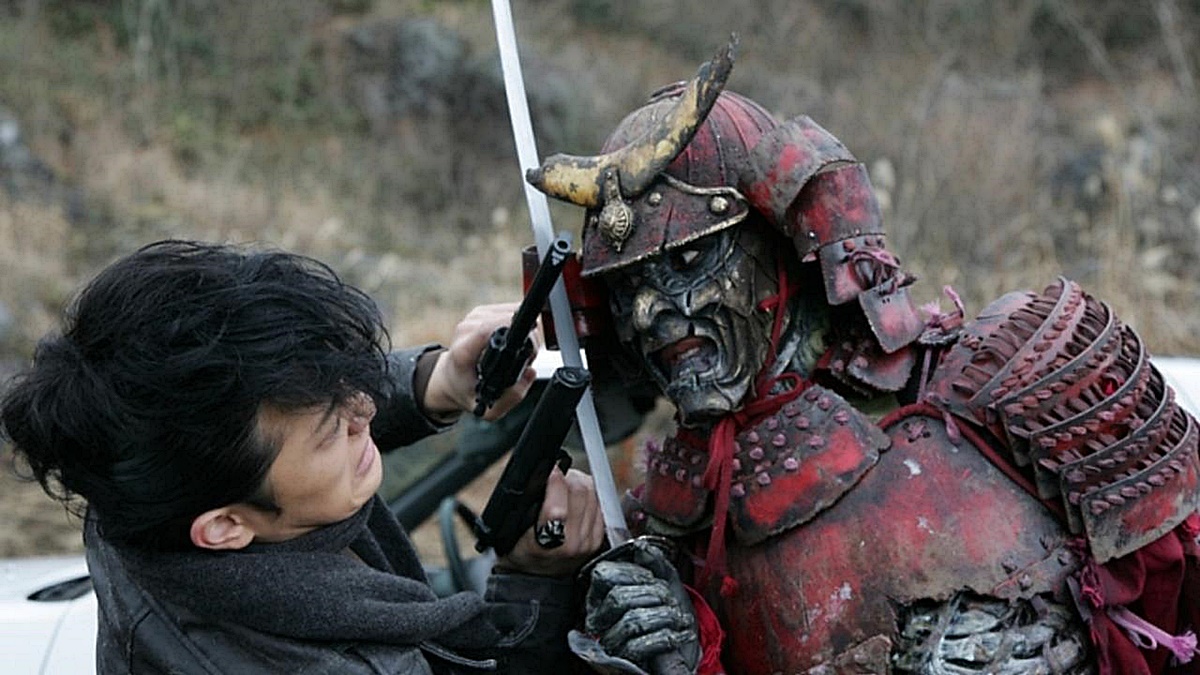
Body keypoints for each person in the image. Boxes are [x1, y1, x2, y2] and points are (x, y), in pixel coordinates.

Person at [526, 41, 1200, 674]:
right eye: (628, 289)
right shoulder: (666, 522)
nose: (650, 312)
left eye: (691, 260)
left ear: (780, 245)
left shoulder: (1007, 382)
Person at [0, 239, 631, 673]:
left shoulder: (125, 484)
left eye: (344, 385)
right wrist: (535, 587)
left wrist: (435, 383)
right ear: (224, 526)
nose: (365, 406)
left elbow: (281, 405)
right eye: (334, 432)